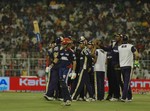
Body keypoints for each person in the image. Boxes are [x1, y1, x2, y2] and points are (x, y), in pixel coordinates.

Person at [53, 37, 76, 106]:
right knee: (62, 84)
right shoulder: (61, 50)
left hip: (67, 69)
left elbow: (74, 62)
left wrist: (73, 71)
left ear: (67, 44)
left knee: (64, 83)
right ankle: (65, 99)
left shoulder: (71, 52)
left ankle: (68, 99)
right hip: (61, 69)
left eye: (64, 44)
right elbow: (57, 59)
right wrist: (51, 66)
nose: (62, 45)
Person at [71, 37, 94, 102]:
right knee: (87, 83)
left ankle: (74, 97)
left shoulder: (84, 50)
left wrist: (89, 66)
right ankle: (91, 96)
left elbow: (89, 57)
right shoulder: (84, 50)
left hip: (83, 69)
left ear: (83, 44)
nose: (79, 45)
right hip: (84, 69)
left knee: (79, 83)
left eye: (80, 43)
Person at [118, 35, 139, 102]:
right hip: (129, 66)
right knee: (126, 82)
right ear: (128, 39)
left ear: (122, 39)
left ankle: (126, 97)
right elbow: (137, 55)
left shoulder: (119, 47)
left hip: (122, 66)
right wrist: (136, 64)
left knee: (125, 82)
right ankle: (126, 97)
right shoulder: (131, 46)